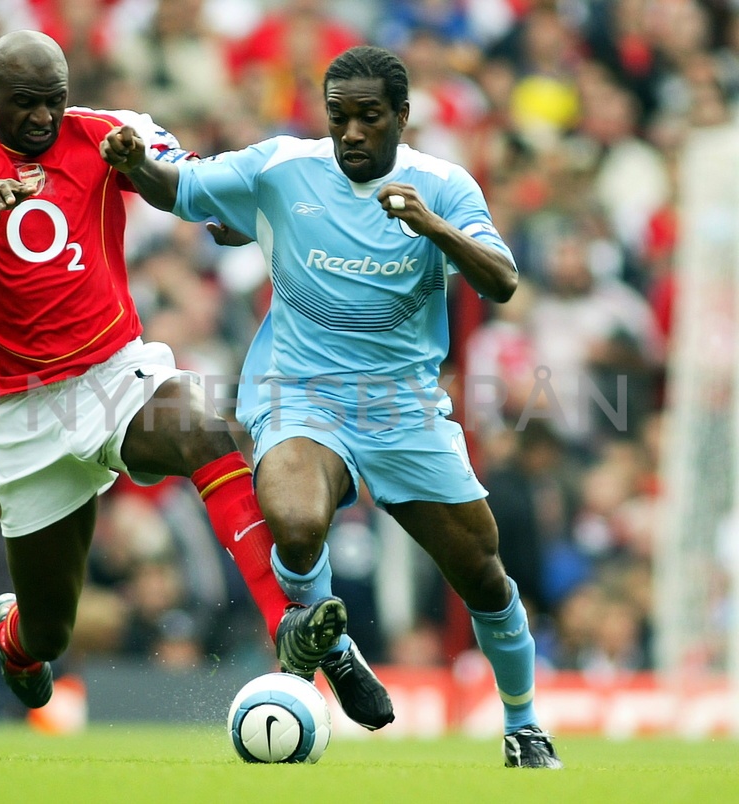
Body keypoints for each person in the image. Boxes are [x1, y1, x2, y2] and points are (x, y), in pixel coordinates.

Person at [102, 44, 563, 766]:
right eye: (339, 117)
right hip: (300, 396)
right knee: (293, 518)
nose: (351, 132)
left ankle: (524, 723)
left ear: (401, 118)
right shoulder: (283, 169)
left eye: (368, 118)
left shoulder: (442, 186)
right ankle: (334, 647)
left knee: (483, 574)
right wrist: (134, 162)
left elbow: (502, 280)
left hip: (403, 409)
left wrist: (434, 231)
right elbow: (178, 187)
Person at [0, 30, 336, 716]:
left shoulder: (113, 131)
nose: (43, 119)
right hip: (23, 412)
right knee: (51, 628)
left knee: (201, 430)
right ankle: (16, 638)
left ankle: (283, 624)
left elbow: (207, 199)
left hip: (115, 373)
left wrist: (140, 166)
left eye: (54, 102)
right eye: (25, 105)